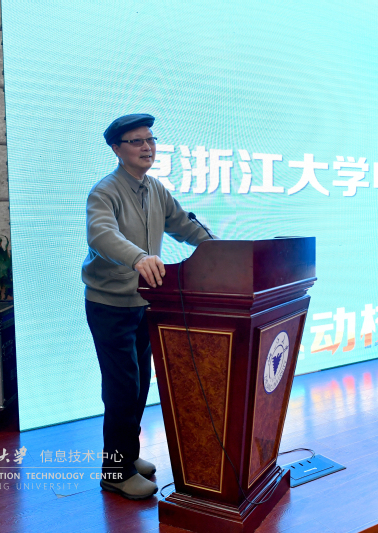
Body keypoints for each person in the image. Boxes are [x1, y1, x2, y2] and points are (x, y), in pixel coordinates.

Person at [82, 113, 215, 500]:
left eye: (151, 140)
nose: (147, 147)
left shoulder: (155, 188)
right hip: (109, 306)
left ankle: (126, 455)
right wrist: (138, 257)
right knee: (121, 388)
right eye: (136, 141)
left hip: (144, 302)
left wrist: (220, 250)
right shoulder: (104, 191)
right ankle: (114, 472)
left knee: (139, 385)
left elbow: (183, 225)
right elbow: (101, 234)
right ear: (116, 149)